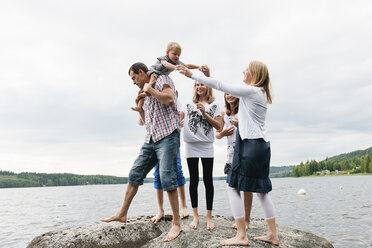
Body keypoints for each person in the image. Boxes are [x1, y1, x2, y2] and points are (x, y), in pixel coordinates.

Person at [177, 62, 280, 246]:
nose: (243, 71)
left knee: (232, 186)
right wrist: (207, 75)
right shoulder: (260, 93)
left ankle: (241, 236)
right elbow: (223, 91)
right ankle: (272, 234)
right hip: (262, 146)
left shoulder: (252, 91)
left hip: (250, 145)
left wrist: (192, 75)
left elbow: (221, 86)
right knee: (262, 192)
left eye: (247, 69)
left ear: (255, 74)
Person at [101, 62, 182, 242]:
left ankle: (176, 223)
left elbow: (169, 99)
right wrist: (140, 110)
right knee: (135, 173)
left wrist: (149, 89)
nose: (133, 82)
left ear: (141, 72)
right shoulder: (145, 92)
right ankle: (122, 213)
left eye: (134, 78)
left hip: (168, 136)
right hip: (151, 139)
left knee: (167, 177)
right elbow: (147, 122)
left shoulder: (162, 80)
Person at [180, 68, 223, 231]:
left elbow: (219, 126)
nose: (199, 87)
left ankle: (209, 217)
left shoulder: (215, 104)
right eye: (197, 84)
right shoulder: (188, 103)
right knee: (194, 180)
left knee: (208, 180)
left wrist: (205, 113)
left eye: (202, 84)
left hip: (206, 145)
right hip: (191, 145)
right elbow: (180, 117)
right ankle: (196, 216)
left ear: (207, 87)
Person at [215, 93, 253, 231]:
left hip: (245, 153)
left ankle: (247, 220)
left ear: (237, 96)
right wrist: (223, 133)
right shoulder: (223, 113)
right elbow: (217, 134)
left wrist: (240, 124)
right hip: (231, 156)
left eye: (232, 94)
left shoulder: (244, 110)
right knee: (233, 187)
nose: (229, 96)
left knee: (246, 188)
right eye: (227, 94)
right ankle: (239, 219)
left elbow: (252, 128)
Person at [132, 42, 200, 112]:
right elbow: (165, 64)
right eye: (175, 54)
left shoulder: (176, 62)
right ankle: (141, 103)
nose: (177, 56)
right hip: (154, 71)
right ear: (167, 53)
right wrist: (175, 67)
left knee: (145, 90)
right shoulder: (164, 58)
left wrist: (198, 67)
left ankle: (143, 100)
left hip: (160, 75)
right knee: (151, 82)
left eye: (179, 55)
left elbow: (187, 65)